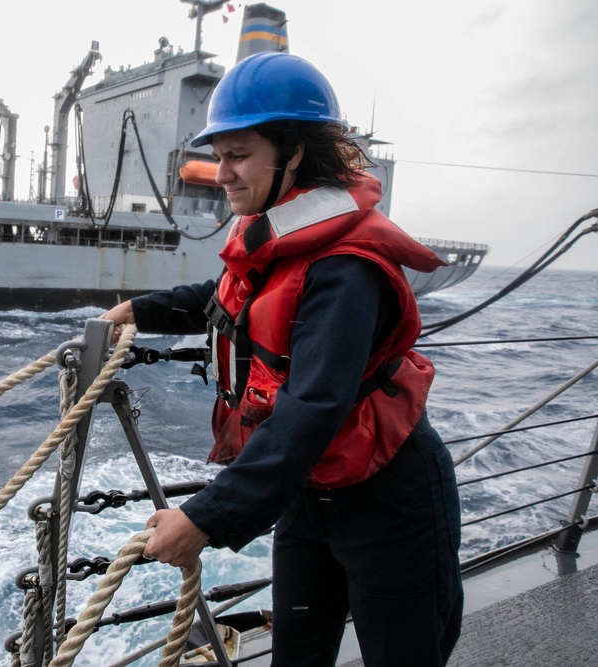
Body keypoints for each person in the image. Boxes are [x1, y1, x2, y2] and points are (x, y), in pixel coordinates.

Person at [101, 52, 463, 666]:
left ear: (293, 153)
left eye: (237, 155)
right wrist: (142, 310)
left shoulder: (347, 269)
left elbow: (314, 406)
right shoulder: (280, 235)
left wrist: (204, 519)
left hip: (388, 499)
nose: (222, 174)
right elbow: (229, 303)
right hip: (308, 496)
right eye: (220, 156)